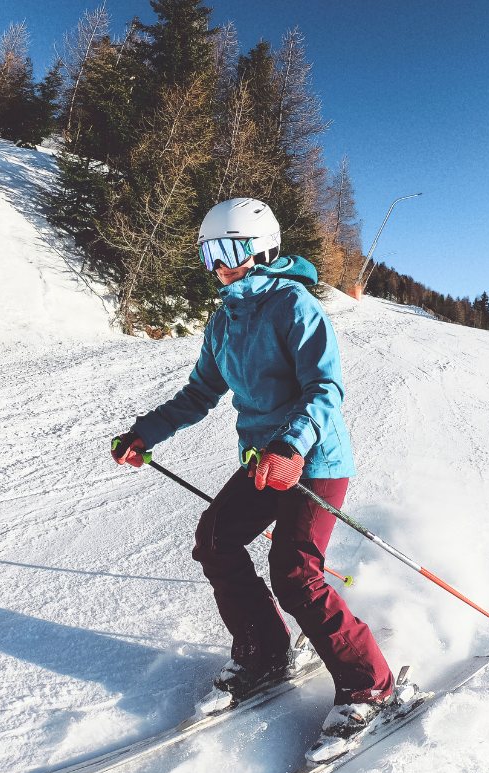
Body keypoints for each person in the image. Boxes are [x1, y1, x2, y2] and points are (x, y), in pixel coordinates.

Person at [111, 197, 395, 741]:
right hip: (264, 461)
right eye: (209, 254)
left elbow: (324, 389)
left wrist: (291, 445)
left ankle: (370, 685)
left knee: (294, 571)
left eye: (229, 251)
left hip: (313, 458)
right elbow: (199, 394)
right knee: (215, 539)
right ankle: (265, 651)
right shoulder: (224, 320)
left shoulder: (294, 306)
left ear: (262, 250)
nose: (219, 265)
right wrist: (146, 432)